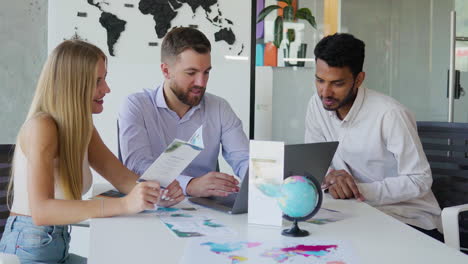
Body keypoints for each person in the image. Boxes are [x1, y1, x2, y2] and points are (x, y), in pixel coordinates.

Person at [0, 40, 184, 264]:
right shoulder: (42, 127)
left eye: (104, 78)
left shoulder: (81, 126)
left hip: (55, 245)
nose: (106, 89)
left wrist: (155, 192)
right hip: (29, 248)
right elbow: (42, 211)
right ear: (73, 84)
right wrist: (124, 204)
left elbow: (121, 177)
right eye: (98, 81)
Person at [304, 33, 442, 240]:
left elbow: (419, 180)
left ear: (358, 79)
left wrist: (358, 190)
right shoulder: (317, 104)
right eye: (320, 80)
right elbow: (315, 162)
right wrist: (331, 177)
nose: (325, 92)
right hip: (352, 214)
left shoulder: (390, 114)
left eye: (337, 83)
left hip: (407, 219)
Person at [118, 27, 249, 198]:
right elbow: (137, 166)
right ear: (166, 71)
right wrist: (190, 185)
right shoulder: (136, 106)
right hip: (149, 208)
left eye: (206, 72)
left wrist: (258, 180)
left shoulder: (219, 108)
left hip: (206, 212)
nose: (201, 83)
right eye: (191, 73)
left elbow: (243, 159)